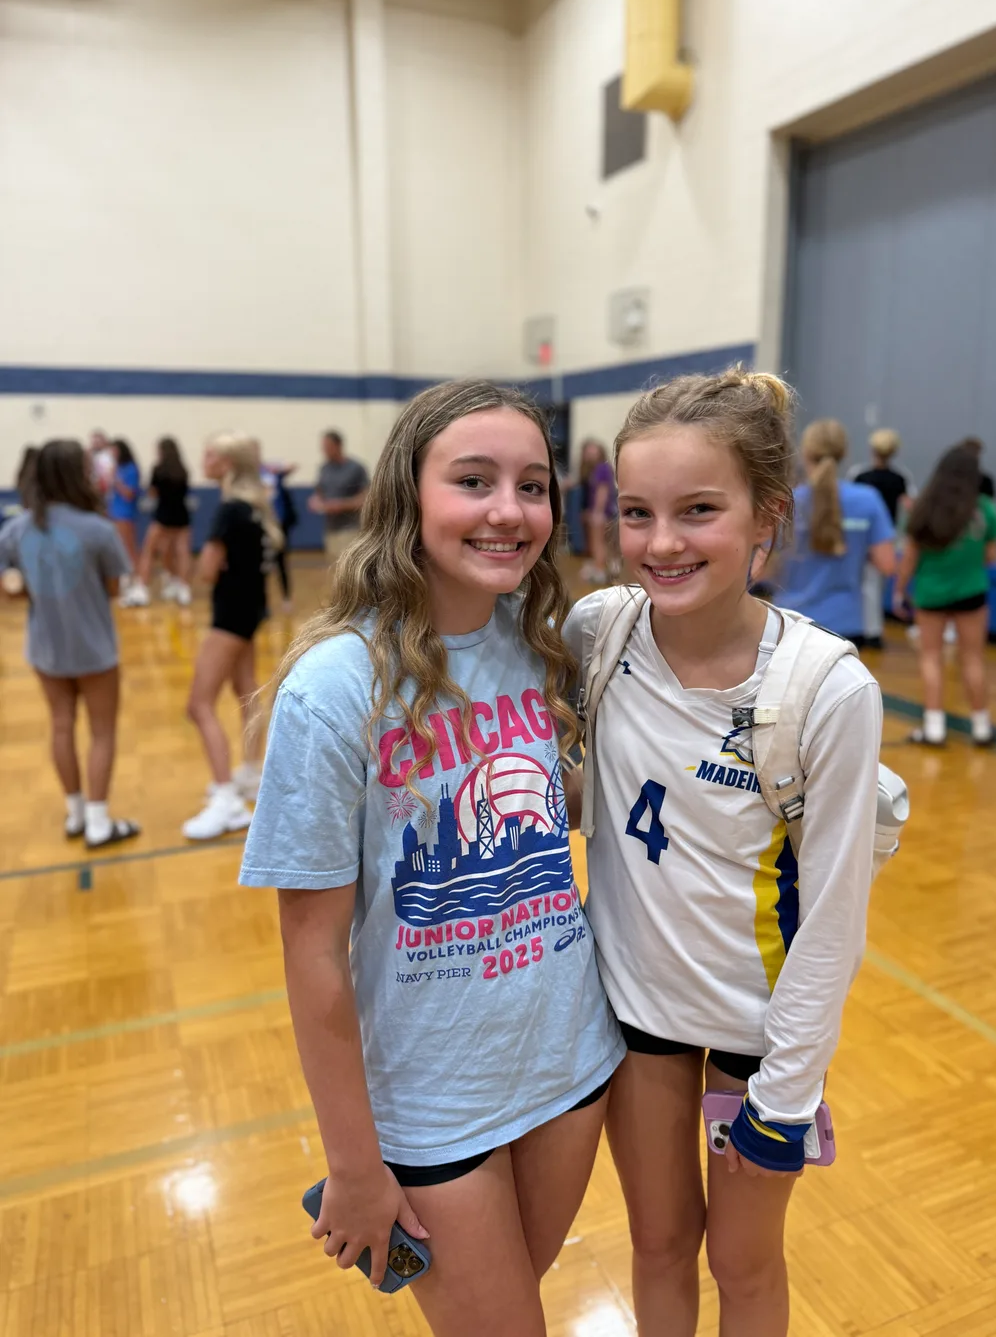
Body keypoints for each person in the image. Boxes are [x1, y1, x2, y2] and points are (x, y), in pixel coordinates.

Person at [239, 381, 623, 1336]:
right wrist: (355, 1164)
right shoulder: (335, 687)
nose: (509, 510)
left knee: (511, 1309)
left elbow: (559, 815)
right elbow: (312, 953)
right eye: (474, 480)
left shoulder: (541, 649)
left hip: (571, 1060)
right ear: (408, 496)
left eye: (532, 485)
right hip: (430, 1097)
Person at [565, 369, 882, 1337]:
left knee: (743, 1266)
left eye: (698, 510)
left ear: (765, 518)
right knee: (658, 1248)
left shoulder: (827, 689)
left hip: (760, 1035)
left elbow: (831, 924)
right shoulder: (599, 632)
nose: (661, 543)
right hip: (637, 1014)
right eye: (636, 512)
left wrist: (785, 1097)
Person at [0, 440, 139, 847]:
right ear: (78, 474)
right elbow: (115, 589)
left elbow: (10, 586)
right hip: (94, 647)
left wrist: (26, 588)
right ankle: (98, 822)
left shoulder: (17, 528)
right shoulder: (99, 529)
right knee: (102, 732)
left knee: (60, 726)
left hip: (46, 648)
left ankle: (75, 814)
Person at [182, 434, 281, 840]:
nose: (203, 459)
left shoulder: (228, 510)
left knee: (198, 704)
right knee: (246, 691)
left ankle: (226, 801)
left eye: (209, 454)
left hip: (230, 616)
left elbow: (207, 570)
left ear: (226, 463)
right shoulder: (256, 509)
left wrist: (205, 572)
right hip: (251, 612)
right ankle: (252, 772)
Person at [894, 444, 996, 747]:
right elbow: (992, 556)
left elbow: (910, 559)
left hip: (931, 593)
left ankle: (934, 727)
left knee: (931, 657)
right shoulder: (984, 509)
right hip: (971, 591)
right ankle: (981, 727)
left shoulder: (923, 507)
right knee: (973, 659)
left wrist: (900, 591)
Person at [773, 417, 896, 646]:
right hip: (846, 626)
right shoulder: (868, 500)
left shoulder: (787, 503)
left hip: (789, 623)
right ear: (844, 453)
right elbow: (887, 564)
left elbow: (762, 567)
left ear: (805, 452)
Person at [854, 428, 909, 647]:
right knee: (876, 584)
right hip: (885, 538)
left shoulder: (860, 476)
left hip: (860, 537)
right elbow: (908, 506)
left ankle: (868, 631)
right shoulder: (900, 478)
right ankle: (873, 631)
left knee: (865, 584)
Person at [137, 437, 193, 606]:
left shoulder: (158, 469)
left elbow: (153, 493)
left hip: (163, 515)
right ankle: (183, 588)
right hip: (182, 515)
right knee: (182, 552)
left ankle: (142, 588)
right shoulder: (183, 469)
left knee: (149, 550)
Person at [309, 430, 369, 565]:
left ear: (338, 445)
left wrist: (341, 505)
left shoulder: (356, 468)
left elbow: (366, 497)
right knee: (334, 572)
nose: (324, 451)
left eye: (327, 447)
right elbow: (319, 493)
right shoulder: (324, 469)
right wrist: (316, 501)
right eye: (323, 447)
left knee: (349, 569)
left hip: (350, 529)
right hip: (330, 529)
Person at [108, 439, 146, 606]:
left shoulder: (131, 468)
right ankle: (125, 581)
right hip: (114, 511)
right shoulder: (118, 468)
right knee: (119, 548)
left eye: (114, 451)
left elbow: (129, 493)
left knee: (130, 549)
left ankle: (136, 582)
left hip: (125, 513)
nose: (112, 454)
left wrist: (116, 481)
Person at [261, 459, 298, 612]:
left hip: (279, 525)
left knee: (281, 562)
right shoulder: (254, 475)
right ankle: (263, 602)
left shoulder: (273, 472)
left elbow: (292, 466)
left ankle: (286, 598)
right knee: (262, 565)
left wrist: (278, 468)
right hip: (263, 525)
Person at [578, 439, 616, 584]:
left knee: (597, 542)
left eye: (592, 450)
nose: (589, 454)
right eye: (587, 451)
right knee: (601, 542)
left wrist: (597, 512)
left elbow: (602, 491)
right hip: (602, 512)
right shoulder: (597, 469)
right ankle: (600, 568)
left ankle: (599, 571)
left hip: (602, 513)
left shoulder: (601, 468)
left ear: (599, 452)